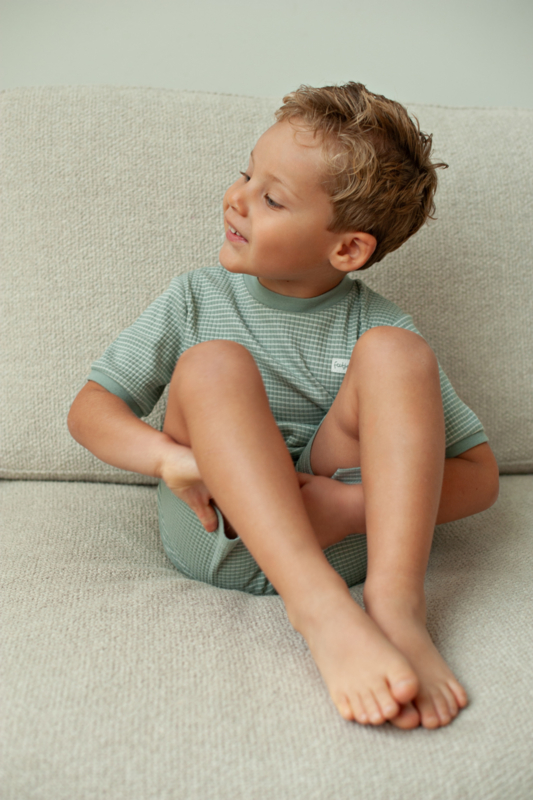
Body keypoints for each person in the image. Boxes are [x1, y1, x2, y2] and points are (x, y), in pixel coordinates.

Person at [67, 82, 499, 731]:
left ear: (347, 249)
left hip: (339, 538)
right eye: (247, 175)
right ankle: (319, 609)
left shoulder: (377, 326)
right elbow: (90, 409)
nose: (236, 198)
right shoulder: (195, 298)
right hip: (216, 523)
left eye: (271, 198)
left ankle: (395, 606)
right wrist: (166, 458)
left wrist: (349, 506)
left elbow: (480, 476)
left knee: (398, 354)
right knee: (214, 363)